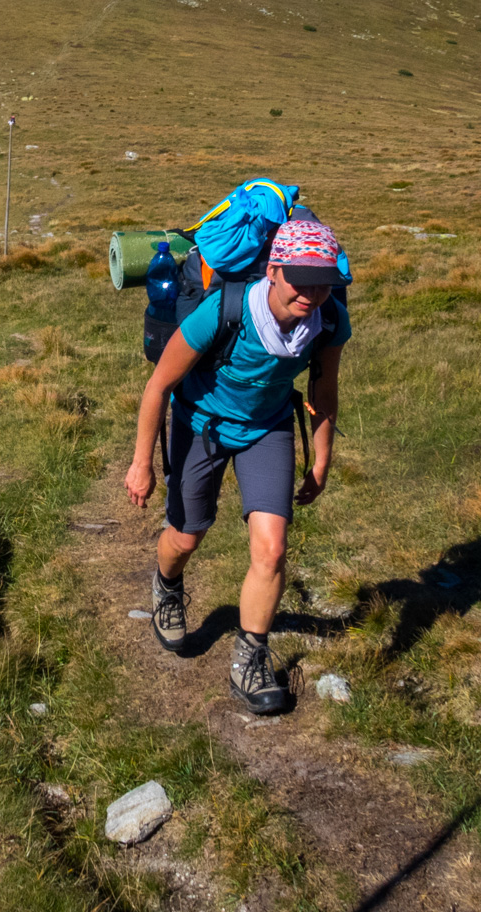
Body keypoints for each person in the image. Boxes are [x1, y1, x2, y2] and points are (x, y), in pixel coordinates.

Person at [123, 217, 351, 714]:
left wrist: (322, 458)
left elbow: (324, 389)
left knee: (271, 550)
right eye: (300, 278)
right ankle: (167, 585)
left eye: (324, 279)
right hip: (200, 423)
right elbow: (159, 385)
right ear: (273, 270)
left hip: (267, 428)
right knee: (185, 537)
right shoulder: (225, 311)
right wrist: (142, 463)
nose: (312, 292)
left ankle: (250, 659)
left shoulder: (329, 319)